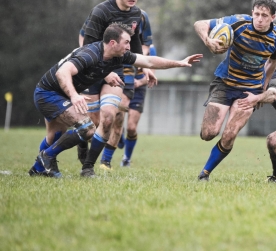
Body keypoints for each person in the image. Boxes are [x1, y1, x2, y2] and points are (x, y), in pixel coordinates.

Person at [28, 23, 202, 178]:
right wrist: (74, 95)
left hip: (59, 94)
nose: (129, 46)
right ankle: (47, 157)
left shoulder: (118, 56)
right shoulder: (90, 54)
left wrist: (179, 63)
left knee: (54, 136)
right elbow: (62, 72)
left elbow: (148, 60)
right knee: (87, 128)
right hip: (47, 94)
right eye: (126, 42)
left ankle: (38, 168)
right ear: (113, 43)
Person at [194, 0, 276, 181]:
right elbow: (199, 24)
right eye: (257, 14)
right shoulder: (237, 22)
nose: (259, 19)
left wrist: (263, 87)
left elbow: (273, 63)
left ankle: (205, 173)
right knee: (208, 133)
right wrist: (208, 40)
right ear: (252, 12)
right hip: (225, 83)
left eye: (265, 16)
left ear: (273, 18)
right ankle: (208, 149)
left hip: (249, 90)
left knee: (230, 134)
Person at [78, 0, 157, 177]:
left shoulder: (137, 14)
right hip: (93, 70)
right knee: (92, 126)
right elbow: (87, 46)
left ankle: (92, 166)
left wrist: (146, 68)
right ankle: (82, 146)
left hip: (118, 71)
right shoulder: (100, 11)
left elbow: (137, 47)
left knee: (109, 118)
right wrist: (103, 74)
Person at [99, 12, 155, 170]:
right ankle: (110, 152)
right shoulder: (121, 48)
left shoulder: (151, 50)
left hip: (139, 87)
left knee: (131, 127)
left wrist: (140, 81)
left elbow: (152, 75)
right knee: (114, 117)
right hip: (125, 81)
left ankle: (124, 159)